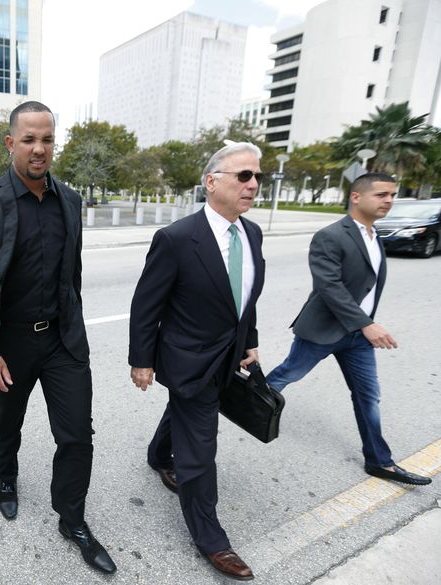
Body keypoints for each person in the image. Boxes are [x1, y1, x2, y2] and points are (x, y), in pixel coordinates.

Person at [0, 101, 116, 574]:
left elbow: (73, 273)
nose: (39, 148)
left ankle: (72, 518)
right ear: (10, 143)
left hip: (63, 340)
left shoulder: (70, 200)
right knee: (7, 421)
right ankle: (6, 477)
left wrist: (76, 324)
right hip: (10, 342)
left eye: (46, 139)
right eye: (29, 139)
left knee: (77, 433)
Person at [129, 142, 266, 581]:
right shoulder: (176, 239)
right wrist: (142, 360)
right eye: (243, 175)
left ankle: (157, 455)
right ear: (212, 182)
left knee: (186, 413)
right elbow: (146, 305)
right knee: (201, 452)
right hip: (188, 359)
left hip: (227, 356)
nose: (253, 184)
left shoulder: (253, 234)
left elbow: (244, 298)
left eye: (257, 176)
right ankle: (211, 538)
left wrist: (251, 340)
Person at [266, 172, 430, 487]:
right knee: (287, 375)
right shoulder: (331, 235)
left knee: (368, 396)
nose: (389, 200)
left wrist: (362, 326)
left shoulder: (374, 236)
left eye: (392, 195)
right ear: (356, 197)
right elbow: (329, 286)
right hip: (323, 330)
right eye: (382, 194)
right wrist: (367, 323)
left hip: (357, 339)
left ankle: (379, 461)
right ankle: (248, 406)